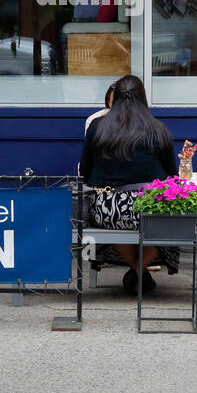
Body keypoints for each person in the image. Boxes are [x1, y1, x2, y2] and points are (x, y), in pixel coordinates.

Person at [79, 74, 178, 293]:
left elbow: (84, 173)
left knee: (115, 221)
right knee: (172, 219)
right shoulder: (158, 129)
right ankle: (138, 269)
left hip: (107, 211)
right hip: (149, 210)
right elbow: (173, 176)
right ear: (143, 98)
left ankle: (137, 271)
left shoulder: (97, 126)